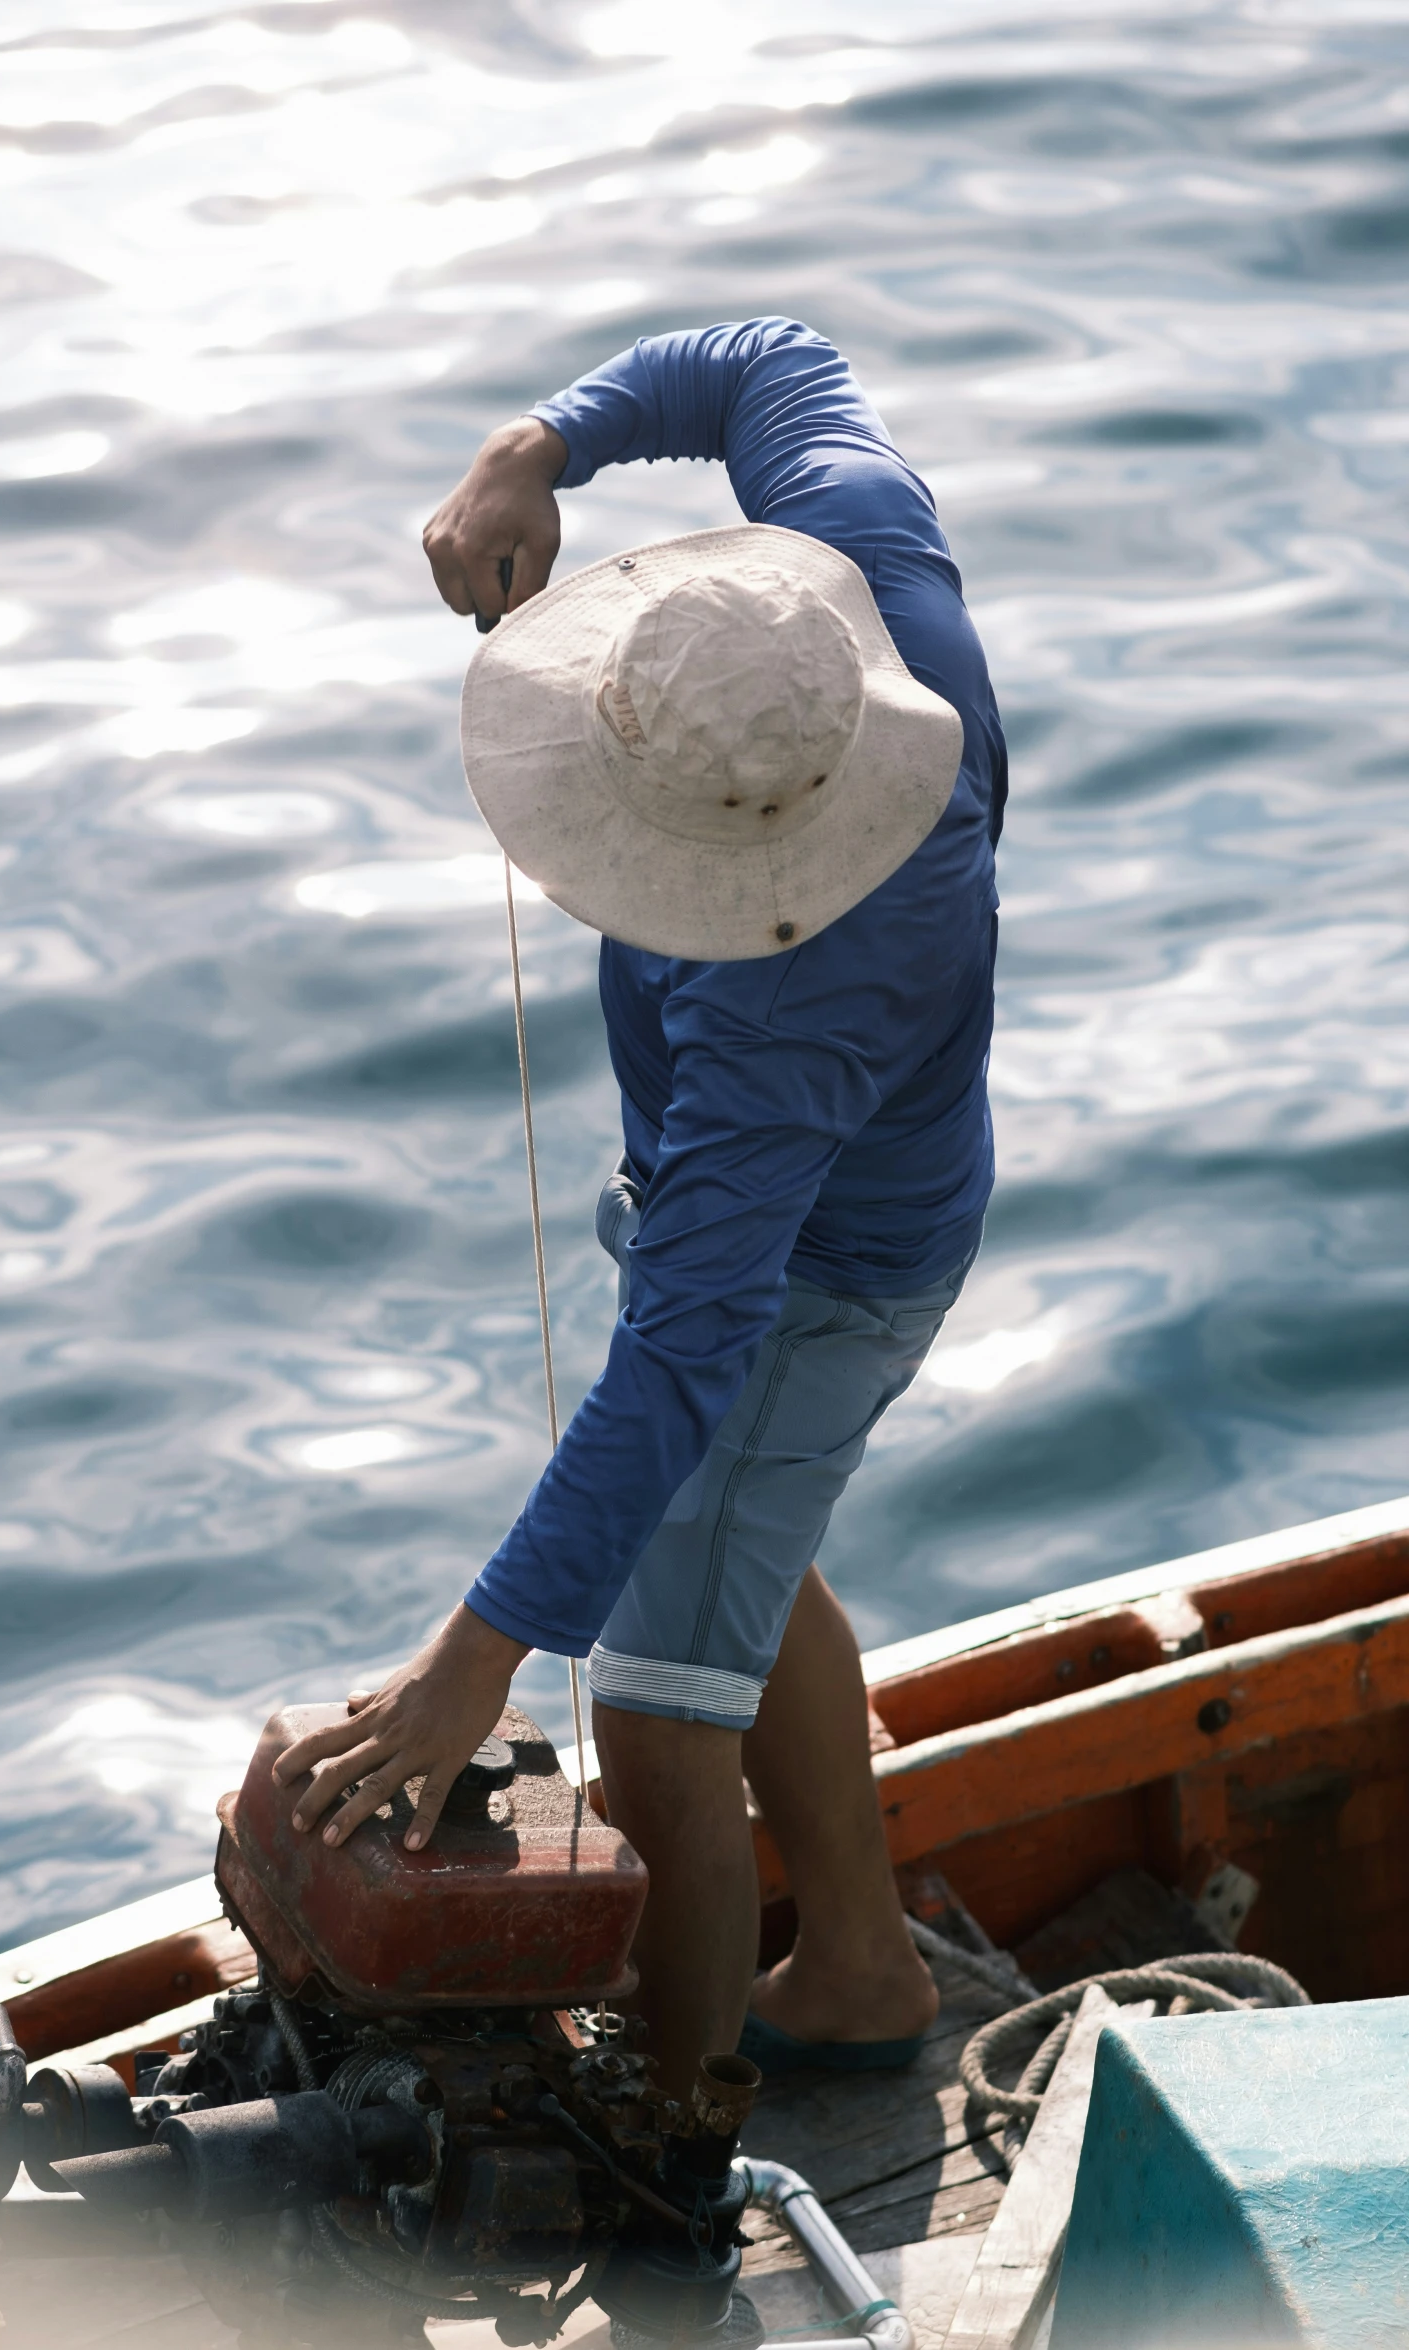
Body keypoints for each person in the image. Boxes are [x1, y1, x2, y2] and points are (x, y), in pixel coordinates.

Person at [274, 318, 1006, 2102]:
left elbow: (690, 1351)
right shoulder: (869, 568)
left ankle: (671, 2130)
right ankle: (851, 1960)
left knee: (663, 1708)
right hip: (849, 1203)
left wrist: (475, 1658)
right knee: (743, 1554)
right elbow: (765, 352)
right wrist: (539, 440)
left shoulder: (785, 1004)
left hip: (813, 1274)